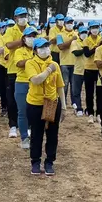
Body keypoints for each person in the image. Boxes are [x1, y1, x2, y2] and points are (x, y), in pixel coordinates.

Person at [25, 37, 65, 176]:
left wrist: (64, 107)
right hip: (35, 103)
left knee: (53, 134)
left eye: (47, 46)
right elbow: (36, 80)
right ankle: (35, 162)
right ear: (35, 50)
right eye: (41, 47)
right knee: (37, 133)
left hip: (52, 103)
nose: (45, 50)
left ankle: (49, 162)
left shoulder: (54, 64)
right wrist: (48, 70)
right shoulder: (30, 63)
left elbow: (60, 86)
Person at [4, 9, 31, 146]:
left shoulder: (31, 29)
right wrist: (22, 41)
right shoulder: (10, 30)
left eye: (25, 15)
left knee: (30, 100)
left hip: (30, 71)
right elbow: (8, 45)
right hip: (13, 69)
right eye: (21, 16)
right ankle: (13, 126)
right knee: (12, 100)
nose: (23, 18)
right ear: (15, 17)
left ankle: (29, 127)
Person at [56, 16, 77, 104]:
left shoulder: (76, 33)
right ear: (64, 24)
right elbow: (61, 47)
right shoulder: (60, 35)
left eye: (71, 23)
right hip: (64, 63)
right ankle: (63, 102)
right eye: (68, 23)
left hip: (75, 62)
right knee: (64, 84)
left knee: (74, 85)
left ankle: (74, 103)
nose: (70, 24)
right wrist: (71, 40)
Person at [70, 25, 87, 117]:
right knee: (76, 91)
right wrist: (85, 48)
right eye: (82, 33)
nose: (84, 34)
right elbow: (76, 53)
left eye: (85, 32)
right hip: (78, 70)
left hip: (88, 69)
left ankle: (88, 109)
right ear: (79, 34)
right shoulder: (75, 42)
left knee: (89, 91)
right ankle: (79, 108)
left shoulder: (89, 41)